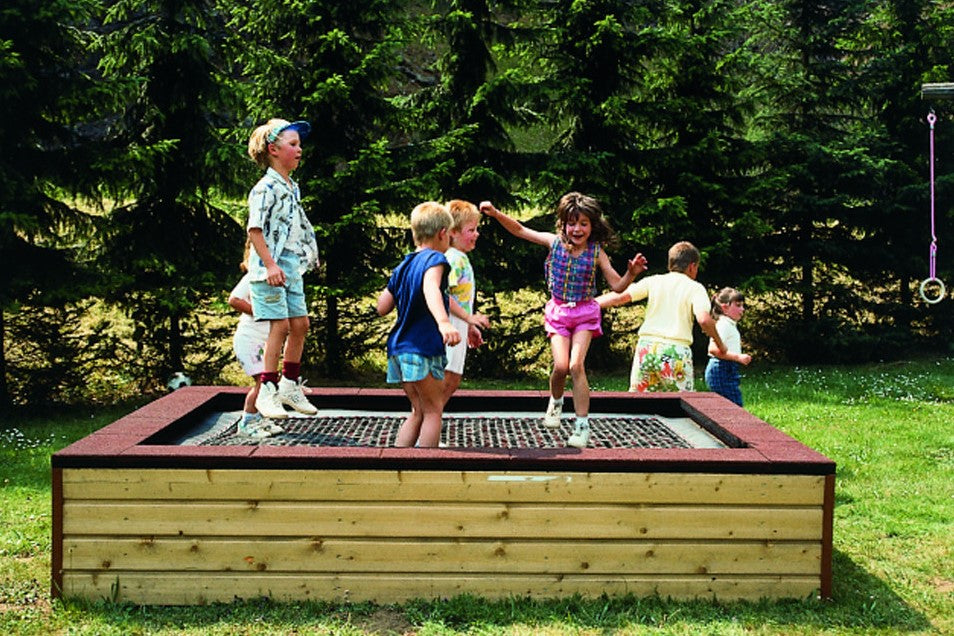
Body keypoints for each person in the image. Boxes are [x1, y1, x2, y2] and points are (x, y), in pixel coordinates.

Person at [480, 193, 647, 448]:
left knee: (575, 365)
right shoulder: (553, 242)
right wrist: (495, 212)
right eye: (572, 223)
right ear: (563, 224)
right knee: (560, 366)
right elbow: (520, 229)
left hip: (585, 313)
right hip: (559, 312)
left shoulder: (596, 253)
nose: (577, 229)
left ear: (592, 226)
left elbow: (616, 286)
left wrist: (631, 273)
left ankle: (582, 425)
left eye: (583, 224)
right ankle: (556, 402)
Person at [245, 118, 320, 420]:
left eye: (299, 144)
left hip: (290, 265)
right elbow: (255, 229)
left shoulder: (291, 186)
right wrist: (271, 265)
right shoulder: (265, 188)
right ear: (273, 149)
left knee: (301, 325)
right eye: (293, 144)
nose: (299, 149)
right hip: (269, 269)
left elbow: (296, 226)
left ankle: (289, 384)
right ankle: (267, 389)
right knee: (281, 326)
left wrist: (308, 253)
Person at [377, 201, 462, 448]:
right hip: (422, 347)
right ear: (443, 234)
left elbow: (382, 307)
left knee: (418, 411)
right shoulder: (436, 259)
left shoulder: (403, 265)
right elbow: (430, 287)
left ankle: (398, 462)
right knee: (434, 410)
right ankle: (424, 467)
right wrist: (444, 322)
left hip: (399, 350)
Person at [598, 241, 727, 393]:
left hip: (646, 349)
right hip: (676, 351)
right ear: (692, 266)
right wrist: (720, 344)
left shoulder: (654, 281)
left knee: (639, 404)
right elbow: (704, 320)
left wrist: (586, 305)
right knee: (681, 404)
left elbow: (619, 297)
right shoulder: (695, 288)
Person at [227, 247, 284, 438]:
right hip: (249, 340)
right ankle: (247, 421)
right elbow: (234, 299)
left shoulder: (277, 279)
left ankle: (260, 418)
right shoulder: (252, 277)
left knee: (270, 381)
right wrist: (259, 312)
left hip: (264, 342)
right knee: (262, 382)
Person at [442, 199, 491, 405]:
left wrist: (469, 325)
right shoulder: (454, 258)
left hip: (459, 324)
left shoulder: (460, 257)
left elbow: (461, 298)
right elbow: (443, 293)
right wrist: (467, 318)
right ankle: (426, 428)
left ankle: (429, 427)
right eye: (471, 230)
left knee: (452, 379)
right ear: (452, 232)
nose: (476, 234)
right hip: (450, 326)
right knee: (446, 379)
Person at [704, 287, 752, 406]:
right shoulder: (724, 325)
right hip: (721, 369)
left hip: (728, 369)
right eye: (738, 305)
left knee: (731, 405)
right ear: (725, 307)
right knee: (733, 406)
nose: (742, 309)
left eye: (742, 305)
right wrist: (738, 357)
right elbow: (713, 349)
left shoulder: (729, 324)